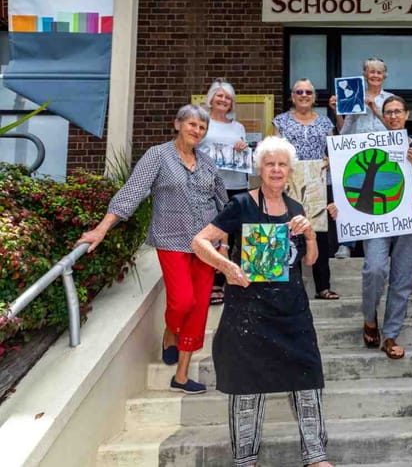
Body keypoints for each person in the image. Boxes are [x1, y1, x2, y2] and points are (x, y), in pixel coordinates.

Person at [191, 137, 333, 467]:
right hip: (248, 313)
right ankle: (245, 460)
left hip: (293, 311)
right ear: (260, 169)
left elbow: (310, 261)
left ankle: (315, 456)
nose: (276, 170)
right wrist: (226, 266)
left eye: (282, 164)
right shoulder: (241, 205)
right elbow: (200, 242)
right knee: (246, 383)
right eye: (270, 164)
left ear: (290, 170)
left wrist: (310, 234)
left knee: (308, 377)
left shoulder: (297, 209)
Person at [78, 105, 227, 394]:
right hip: (172, 241)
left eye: (202, 127)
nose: (197, 131)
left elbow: (223, 205)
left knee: (198, 309)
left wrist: (226, 245)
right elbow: (131, 193)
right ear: (177, 124)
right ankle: (170, 334)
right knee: (183, 301)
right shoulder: (158, 156)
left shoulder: (208, 163)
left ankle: (181, 376)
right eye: (192, 124)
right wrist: (101, 228)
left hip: (207, 246)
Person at [331, 96, 412, 358]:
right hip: (375, 221)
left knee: (402, 280)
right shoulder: (364, 145)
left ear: (407, 115)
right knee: (374, 268)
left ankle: (390, 335)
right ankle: (369, 318)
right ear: (382, 116)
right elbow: (347, 176)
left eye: (398, 111)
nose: (394, 116)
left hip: (409, 223)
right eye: (388, 112)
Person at [273, 78, 339, 300]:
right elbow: (273, 150)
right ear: (292, 96)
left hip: (319, 184)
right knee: (290, 232)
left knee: (319, 234)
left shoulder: (325, 123)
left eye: (308, 92)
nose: (303, 95)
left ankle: (323, 286)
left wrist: (331, 159)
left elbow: (334, 150)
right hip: (289, 184)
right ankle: (294, 286)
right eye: (299, 91)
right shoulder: (280, 121)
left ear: (314, 97)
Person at [328, 57, 394, 259]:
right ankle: (347, 244)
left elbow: (396, 129)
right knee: (353, 198)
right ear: (364, 74)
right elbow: (343, 131)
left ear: (385, 76)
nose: (375, 75)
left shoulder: (391, 100)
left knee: (382, 199)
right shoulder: (354, 96)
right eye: (371, 71)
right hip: (358, 158)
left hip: (382, 159)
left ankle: (380, 247)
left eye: (379, 72)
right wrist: (337, 110)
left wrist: (375, 109)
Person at [197, 78, 249, 305]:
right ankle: (214, 282)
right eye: (220, 96)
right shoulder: (202, 122)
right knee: (214, 232)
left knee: (236, 234)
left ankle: (233, 278)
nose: (224, 100)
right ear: (211, 98)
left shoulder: (238, 127)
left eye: (228, 97)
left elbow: (245, 154)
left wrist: (243, 147)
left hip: (237, 184)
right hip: (209, 184)